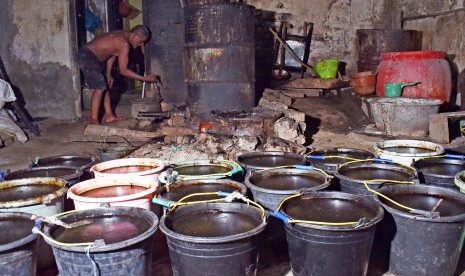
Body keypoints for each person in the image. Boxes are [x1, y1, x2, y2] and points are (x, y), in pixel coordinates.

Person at [77, 25, 157, 125]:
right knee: (99, 86)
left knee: (105, 82)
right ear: (135, 36)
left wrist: (108, 73)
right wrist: (144, 78)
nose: (141, 44)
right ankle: (93, 120)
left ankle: (109, 115)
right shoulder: (124, 43)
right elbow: (123, 70)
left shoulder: (124, 34)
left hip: (95, 58)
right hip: (87, 55)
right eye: (141, 41)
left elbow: (113, 53)